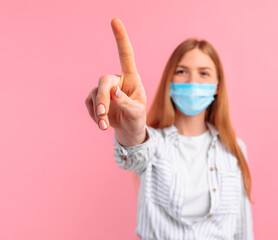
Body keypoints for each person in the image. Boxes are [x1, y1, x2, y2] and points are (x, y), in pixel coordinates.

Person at [85, 17, 254, 240]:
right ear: (169, 81)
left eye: (204, 73)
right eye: (182, 71)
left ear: (217, 87)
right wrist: (130, 129)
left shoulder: (234, 149)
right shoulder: (153, 145)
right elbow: (133, 153)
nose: (193, 81)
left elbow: (243, 230)